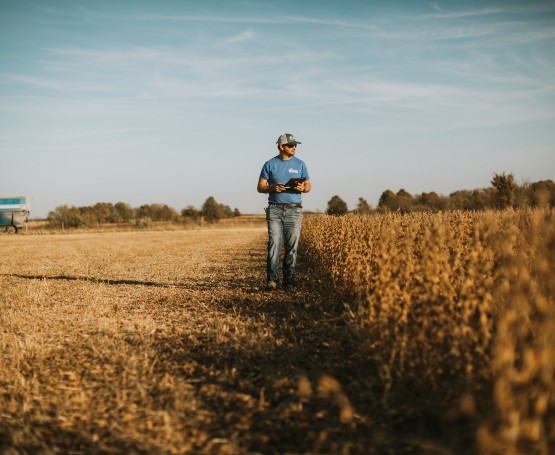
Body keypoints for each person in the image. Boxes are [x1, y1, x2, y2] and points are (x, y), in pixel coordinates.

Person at [257, 133, 311, 290]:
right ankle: (272, 280)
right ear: (281, 147)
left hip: (295, 210)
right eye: (291, 145)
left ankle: (289, 281)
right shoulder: (269, 164)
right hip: (274, 209)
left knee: (291, 246)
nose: (294, 147)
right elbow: (260, 187)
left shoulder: (301, 164)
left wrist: (303, 188)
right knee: (274, 244)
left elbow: (308, 186)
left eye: (295, 145)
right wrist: (272, 187)